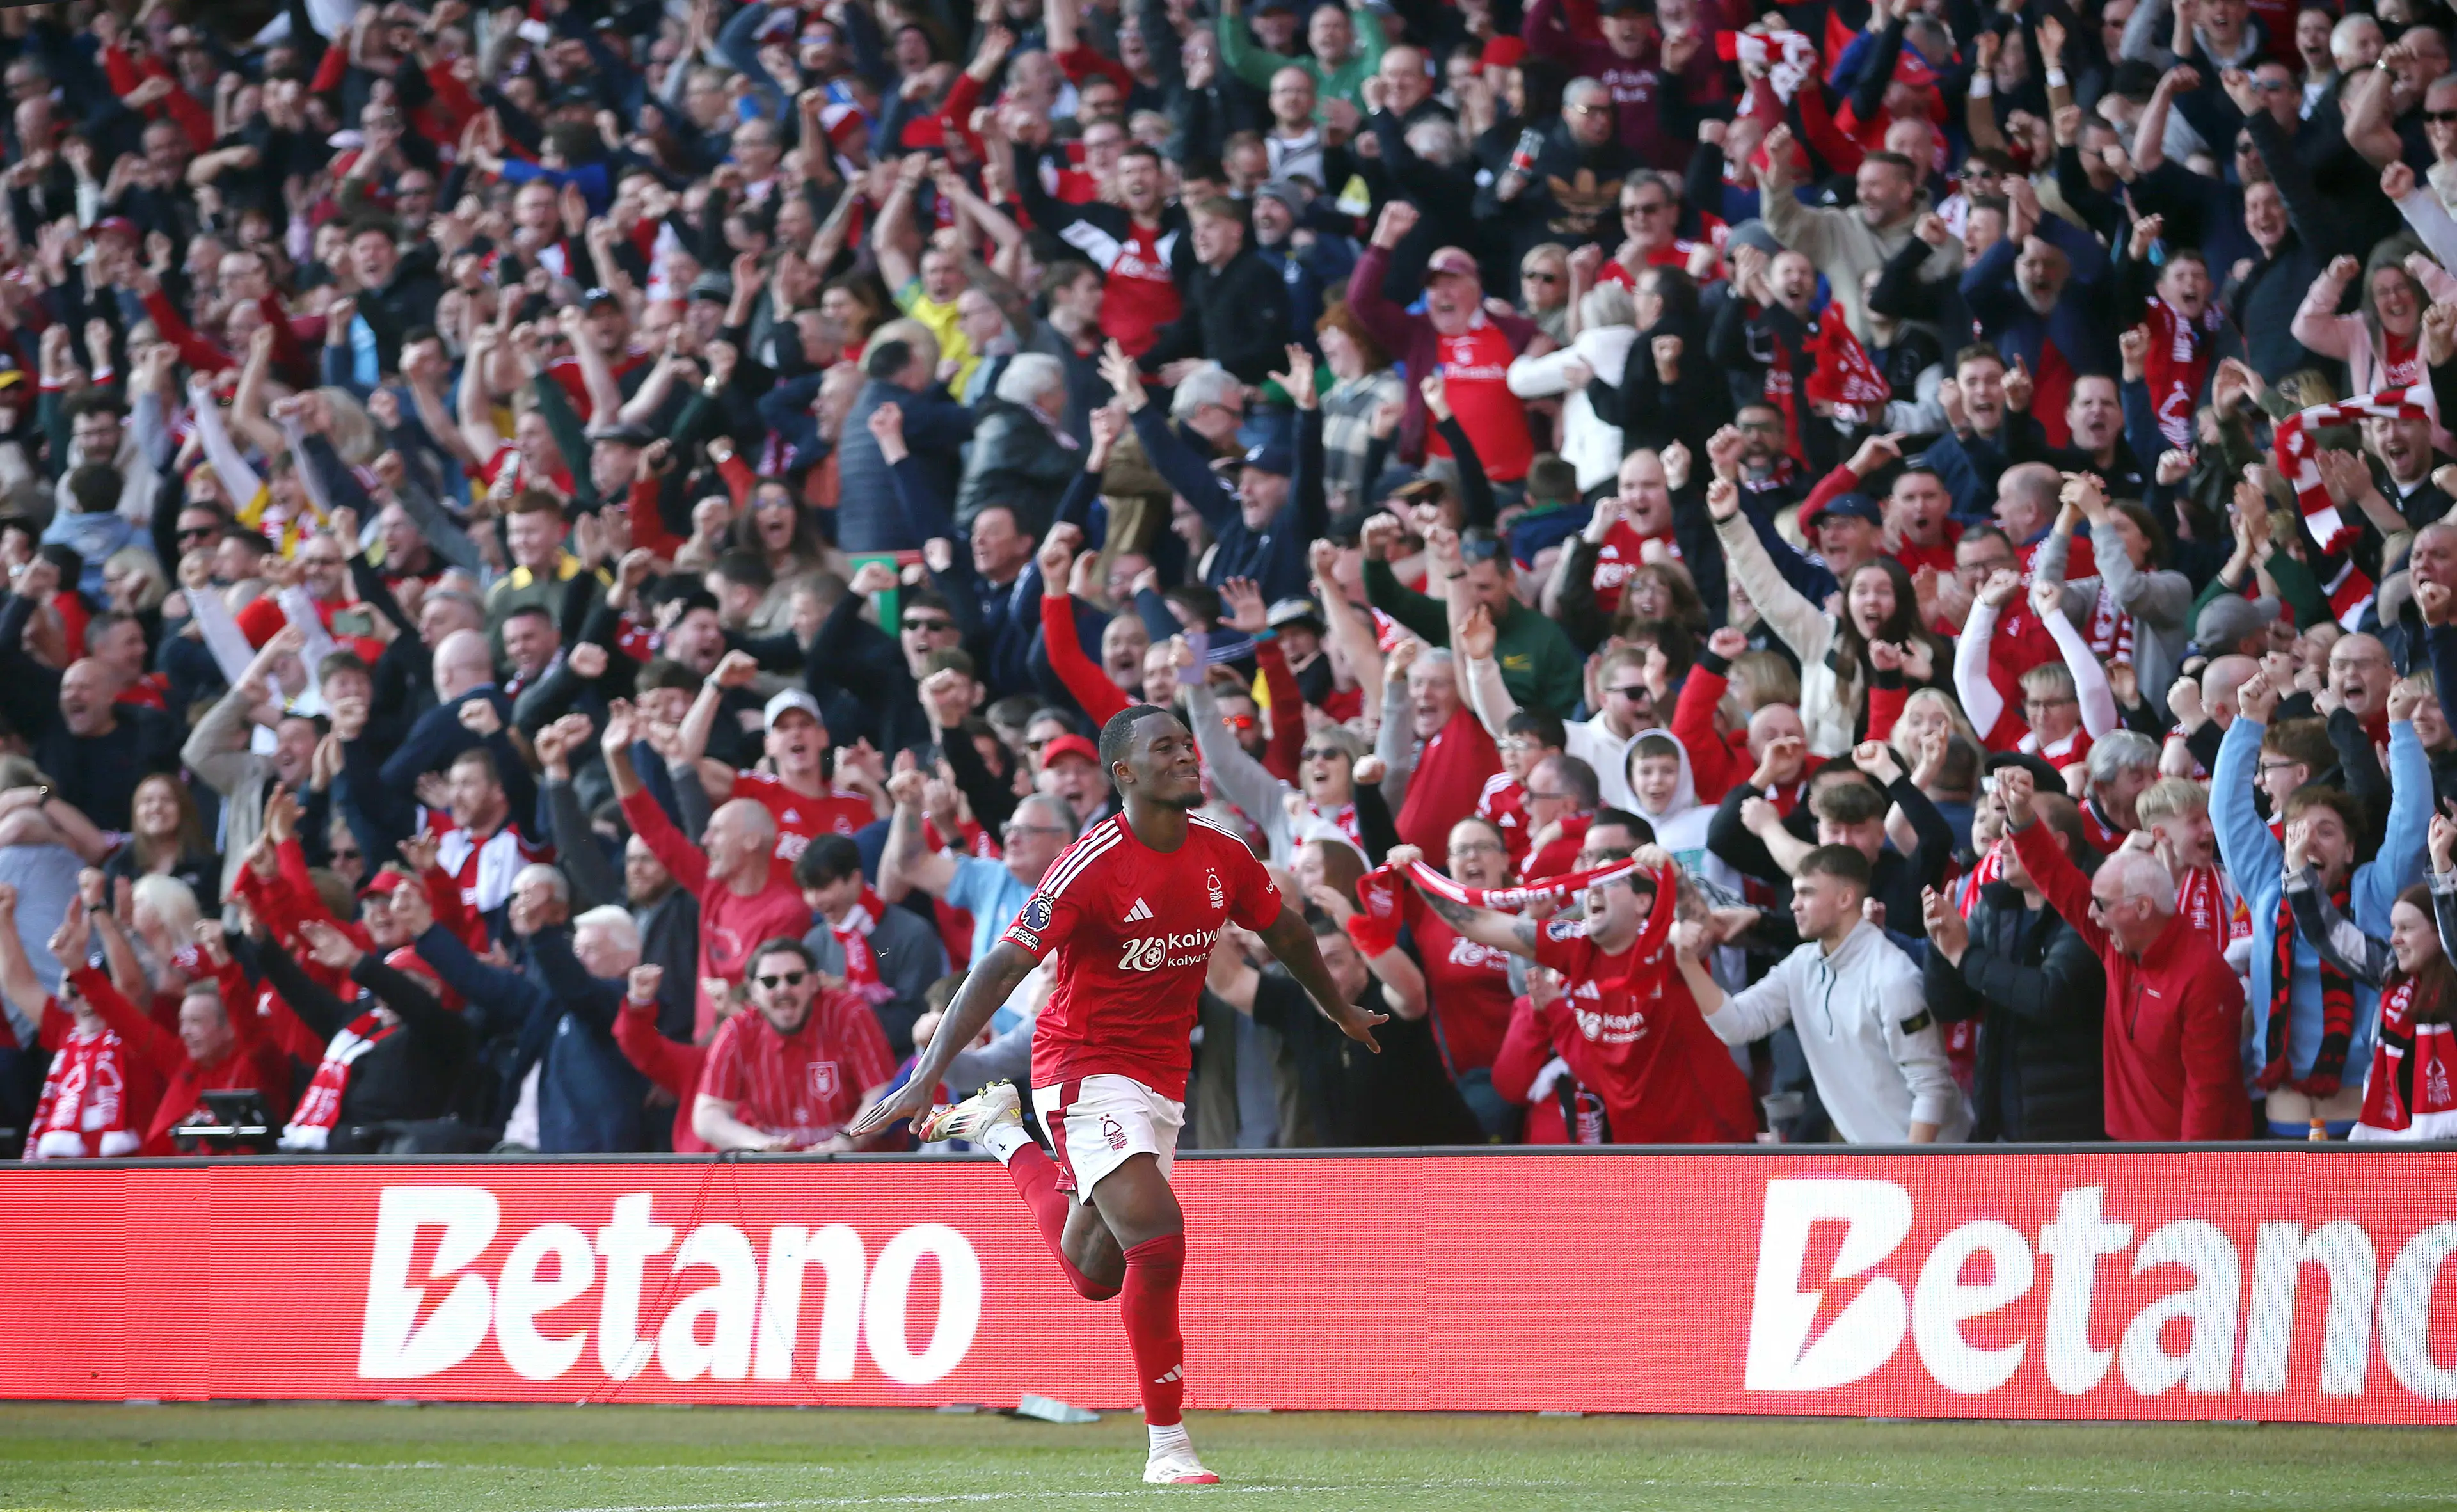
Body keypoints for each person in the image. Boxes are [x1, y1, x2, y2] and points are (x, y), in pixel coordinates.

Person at [851, 704, 1382, 1488]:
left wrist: (1337, 1005)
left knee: (1096, 1274)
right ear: (1124, 772)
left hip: (1162, 1074)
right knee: (1160, 1240)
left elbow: (1289, 931)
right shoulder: (1090, 862)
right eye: (1163, 746)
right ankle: (1167, 1447)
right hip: (1081, 1064)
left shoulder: (1222, 853)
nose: (1185, 755)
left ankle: (1002, 1135)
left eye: (1186, 743)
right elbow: (999, 968)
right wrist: (926, 1073)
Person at [1996, 765, 2252, 1140]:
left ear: (2143, 907)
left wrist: (2190, 1186)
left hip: (2189, 1169)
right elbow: (2057, 878)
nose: (2092, 916)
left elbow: (2207, 1098)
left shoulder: (2205, 977)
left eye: (2103, 905)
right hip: (2127, 1156)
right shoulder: (2118, 941)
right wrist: (2020, 818)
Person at [1674, 843, 1973, 1144]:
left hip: (1938, 1164)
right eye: (1795, 893)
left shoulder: (1892, 977)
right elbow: (1736, 1025)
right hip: (1875, 1162)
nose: (1794, 905)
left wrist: (1910, 1172)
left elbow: (1931, 1088)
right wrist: (1687, 962)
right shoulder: (1801, 966)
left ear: (1845, 898)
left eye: (1807, 893)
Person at [692, 936, 897, 1153]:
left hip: (856, 1166)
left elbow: (882, 1094)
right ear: (753, 992)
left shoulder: (850, 1015)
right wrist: (759, 1146)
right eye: (770, 982)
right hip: (777, 1170)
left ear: (814, 983)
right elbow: (707, 1115)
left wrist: (846, 1141)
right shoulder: (736, 1032)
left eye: (794, 978)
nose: (783, 989)